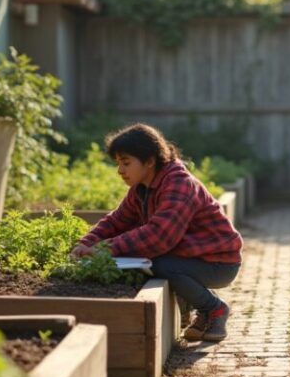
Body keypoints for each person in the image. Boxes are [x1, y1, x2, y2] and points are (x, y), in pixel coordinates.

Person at [71, 124, 243, 341]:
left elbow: (159, 236)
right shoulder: (141, 188)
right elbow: (116, 221)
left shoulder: (179, 185)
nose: (120, 170)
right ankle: (195, 308)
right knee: (153, 261)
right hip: (193, 257)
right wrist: (86, 243)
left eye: (126, 163)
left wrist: (105, 249)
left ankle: (214, 309)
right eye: (118, 163)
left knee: (159, 264)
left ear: (150, 161)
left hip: (219, 263)